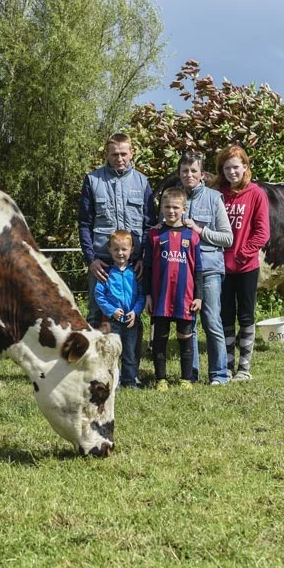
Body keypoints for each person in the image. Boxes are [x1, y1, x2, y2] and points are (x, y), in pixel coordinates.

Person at [78, 133, 155, 328]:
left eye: (123, 153)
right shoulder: (93, 180)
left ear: (131, 153)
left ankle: (130, 358)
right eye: (114, 154)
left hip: (133, 263)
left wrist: (142, 258)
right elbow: (84, 224)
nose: (119, 159)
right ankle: (94, 358)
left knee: (132, 313)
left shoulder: (142, 182)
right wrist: (91, 259)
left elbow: (149, 225)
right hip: (102, 262)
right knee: (96, 313)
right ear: (107, 154)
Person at [177, 151, 234, 385]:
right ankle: (190, 374)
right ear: (179, 174)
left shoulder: (214, 198)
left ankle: (219, 374)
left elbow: (227, 238)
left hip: (209, 269)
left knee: (212, 321)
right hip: (183, 270)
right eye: (184, 171)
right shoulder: (174, 197)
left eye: (193, 171)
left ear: (202, 174)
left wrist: (200, 231)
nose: (189, 175)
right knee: (188, 322)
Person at [215, 145, 270, 381]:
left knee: (246, 316)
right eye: (227, 168)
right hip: (221, 266)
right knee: (225, 316)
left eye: (236, 167)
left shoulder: (256, 194)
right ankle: (227, 366)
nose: (232, 172)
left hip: (247, 266)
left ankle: (244, 368)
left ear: (245, 167)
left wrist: (242, 252)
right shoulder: (218, 194)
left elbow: (262, 232)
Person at [143, 187, 203, 391]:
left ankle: (186, 378)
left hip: (184, 298)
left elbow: (199, 270)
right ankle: (161, 379)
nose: (171, 211)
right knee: (159, 339)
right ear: (161, 209)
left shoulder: (192, 236)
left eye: (176, 207)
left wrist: (199, 297)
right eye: (167, 207)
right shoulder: (154, 234)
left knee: (185, 338)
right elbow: (148, 268)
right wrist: (148, 295)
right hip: (161, 297)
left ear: (184, 209)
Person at [94, 230, 146, 389]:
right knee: (112, 354)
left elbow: (142, 296)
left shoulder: (135, 273)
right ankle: (113, 382)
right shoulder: (106, 273)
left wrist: (135, 312)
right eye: (116, 249)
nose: (120, 253)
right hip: (112, 322)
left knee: (130, 354)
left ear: (132, 250)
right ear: (110, 251)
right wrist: (111, 311)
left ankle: (130, 382)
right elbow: (99, 295)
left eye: (124, 249)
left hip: (131, 322)